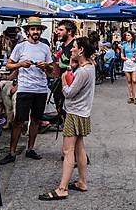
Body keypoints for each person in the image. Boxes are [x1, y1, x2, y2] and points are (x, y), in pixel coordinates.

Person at [38, 37, 95, 201]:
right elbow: (73, 70)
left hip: (75, 113)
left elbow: (69, 92)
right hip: (82, 112)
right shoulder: (89, 67)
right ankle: (82, 182)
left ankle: (62, 188)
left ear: (81, 50)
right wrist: (71, 63)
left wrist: (63, 81)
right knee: (79, 148)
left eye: (74, 47)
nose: (71, 49)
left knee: (67, 150)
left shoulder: (84, 71)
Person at [0, 17, 53, 164]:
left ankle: (30, 149)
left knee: (36, 120)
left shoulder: (45, 48)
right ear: (27, 31)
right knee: (18, 121)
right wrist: (20, 64)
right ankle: (12, 151)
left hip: (41, 89)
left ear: (41, 31)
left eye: (38, 29)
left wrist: (45, 66)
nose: (36, 32)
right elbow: (8, 66)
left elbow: (52, 70)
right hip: (24, 88)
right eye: (33, 29)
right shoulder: (20, 47)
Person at [121, 31, 136, 105]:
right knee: (129, 81)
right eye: (126, 35)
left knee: (134, 80)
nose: (127, 37)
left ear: (132, 36)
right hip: (127, 63)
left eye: (128, 35)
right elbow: (122, 53)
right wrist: (123, 58)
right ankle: (131, 96)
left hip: (134, 62)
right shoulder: (124, 44)